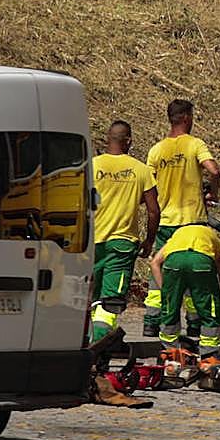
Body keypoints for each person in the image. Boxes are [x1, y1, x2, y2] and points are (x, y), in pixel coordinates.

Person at [142, 99, 220, 337]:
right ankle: (195, 324)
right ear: (186, 118)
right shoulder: (195, 144)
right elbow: (214, 170)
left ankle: (152, 320)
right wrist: (214, 191)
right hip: (191, 222)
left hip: (166, 222)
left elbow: (149, 186)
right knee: (192, 276)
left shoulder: (156, 150)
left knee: (162, 270)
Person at [90, 120, 159, 343]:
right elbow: (153, 211)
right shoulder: (141, 170)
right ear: (128, 141)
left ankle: (88, 340)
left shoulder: (90, 166)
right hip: (121, 246)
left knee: (87, 297)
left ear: (107, 139)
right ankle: (98, 344)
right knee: (110, 301)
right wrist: (149, 241)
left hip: (90, 244)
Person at [149, 222, 220, 359]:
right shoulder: (214, 240)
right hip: (201, 262)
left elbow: (154, 263)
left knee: (170, 309)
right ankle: (209, 354)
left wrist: (167, 291)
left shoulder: (177, 236)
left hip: (173, 262)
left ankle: (169, 352)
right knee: (209, 308)